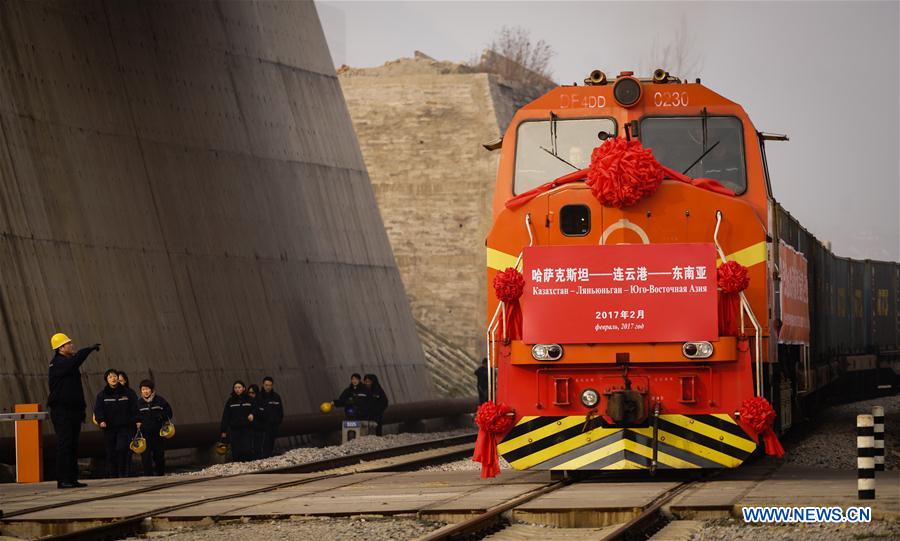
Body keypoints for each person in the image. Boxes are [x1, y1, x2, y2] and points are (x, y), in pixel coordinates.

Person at [47, 333, 100, 488]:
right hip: (61, 411)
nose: (71, 345)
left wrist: (81, 409)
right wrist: (88, 350)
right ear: (60, 348)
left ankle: (72, 478)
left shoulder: (68, 363)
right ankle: (62, 480)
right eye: (68, 343)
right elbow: (76, 361)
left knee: (73, 445)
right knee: (65, 444)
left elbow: (75, 390)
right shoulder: (57, 363)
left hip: (73, 411)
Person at [93, 369, 138, 478]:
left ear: (118, 378)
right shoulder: (102, 395)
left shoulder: (128, 393)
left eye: (114, 376)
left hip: (125, 428)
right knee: (111, 453)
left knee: (122, 449)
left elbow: (135, 408)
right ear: (107, 380)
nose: (113, 379)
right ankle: (114, 476)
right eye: (110, 377)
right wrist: (101, 420)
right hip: (109, 428)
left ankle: (123, 475)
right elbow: (98, 410)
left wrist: (137, 420)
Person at [136, 379, 173, 476]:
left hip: (158, 433)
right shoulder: (138, 403)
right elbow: (134, 416)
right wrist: (137, 422)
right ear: (141, 391)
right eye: (143, 389)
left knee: (159, 456)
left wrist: (161, 416)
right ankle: (148, 476)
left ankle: (160, 474)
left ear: (152, 390)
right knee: (145, 457)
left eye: (147, 389)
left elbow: (169, 412)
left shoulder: (160, 400)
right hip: (144, 435)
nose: (145, 391)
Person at [220, 381, 255, 462]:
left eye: (239, 387)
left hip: (247, 429)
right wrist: (223, 430)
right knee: (236, 450)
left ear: (243, 388)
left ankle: (247, 465)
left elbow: (255, 410)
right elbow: (226, 416)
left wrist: (252, 414)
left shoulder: (250, 400)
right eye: (235, 387)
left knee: (247, 449)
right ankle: (237, 466)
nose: (237, 389)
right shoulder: (230, 401)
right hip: (235, 430)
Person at [258, 376, 283, 458]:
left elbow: (280, 411)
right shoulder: (258, 397)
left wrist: (278, 421)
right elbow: (255, 411)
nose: (268, 387)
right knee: (263, 446)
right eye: (266, 385)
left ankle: (268, 460)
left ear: (272, 386)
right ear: (263, 385)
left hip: (273, 426)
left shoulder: (276, 397)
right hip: (262, 428)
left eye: (270, 385)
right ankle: (263, 459)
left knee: (271, 444)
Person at [247, 384, 265, 459]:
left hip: (259, 427)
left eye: (253, 393)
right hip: (249, 428)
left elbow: (263, 414)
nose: (251, 394)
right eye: (249, 393)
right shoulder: (247, 402)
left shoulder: (260, 401)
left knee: (258, 446)